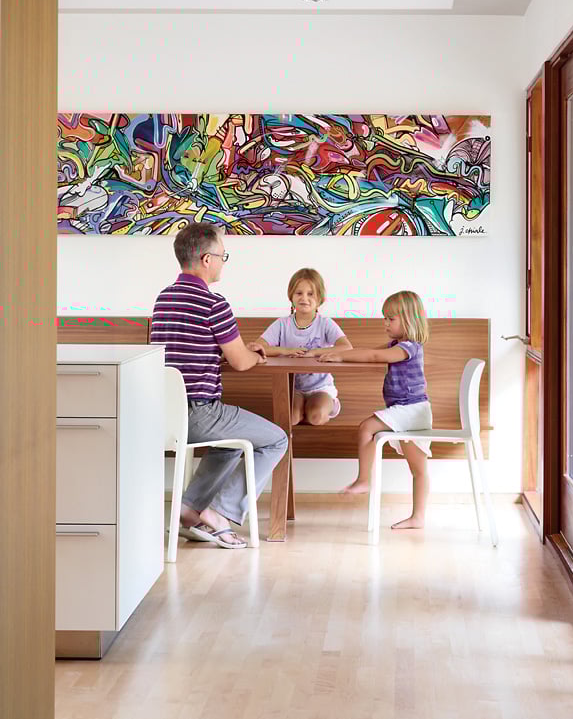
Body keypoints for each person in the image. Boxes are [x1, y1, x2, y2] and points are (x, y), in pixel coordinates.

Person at [150, 223, 289, 549]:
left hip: (165, 414)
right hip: (200, 413)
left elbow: (183, 353)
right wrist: (254, 352)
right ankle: (221, 514)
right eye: (223, 255)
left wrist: (226, 354)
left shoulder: (163, 299)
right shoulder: (214, 304)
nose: (224, 261)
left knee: (230, 443)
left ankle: (189, 509)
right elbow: (240, 362)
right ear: (207, 259)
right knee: (277, 439)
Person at [317, 290, 431, 530]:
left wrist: (341, 358)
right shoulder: (397, 344)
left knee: (367, 428)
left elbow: (374, 355)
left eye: (391, 319)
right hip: (407, 410)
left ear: (409, 319)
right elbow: (367, 350)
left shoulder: (408, 347)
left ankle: (364, 480)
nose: (385, 323)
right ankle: (417, 516)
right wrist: (339, 354)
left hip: (411, 410)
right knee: (417, 469)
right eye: (385, 318)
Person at [254, 268, 352, 426]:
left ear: (320, 298)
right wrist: (285, 351)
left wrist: (313, 353)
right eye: (299, 293)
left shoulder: (325, 323)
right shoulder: (282, 324)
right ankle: (302, 410)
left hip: (321, 387)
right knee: (290, 418)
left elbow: (346, 347)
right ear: (291, 296)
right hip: (294, 388)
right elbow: (258, 346)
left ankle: (328, 405)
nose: (304, 298)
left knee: (316, 416)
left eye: (310, 294)